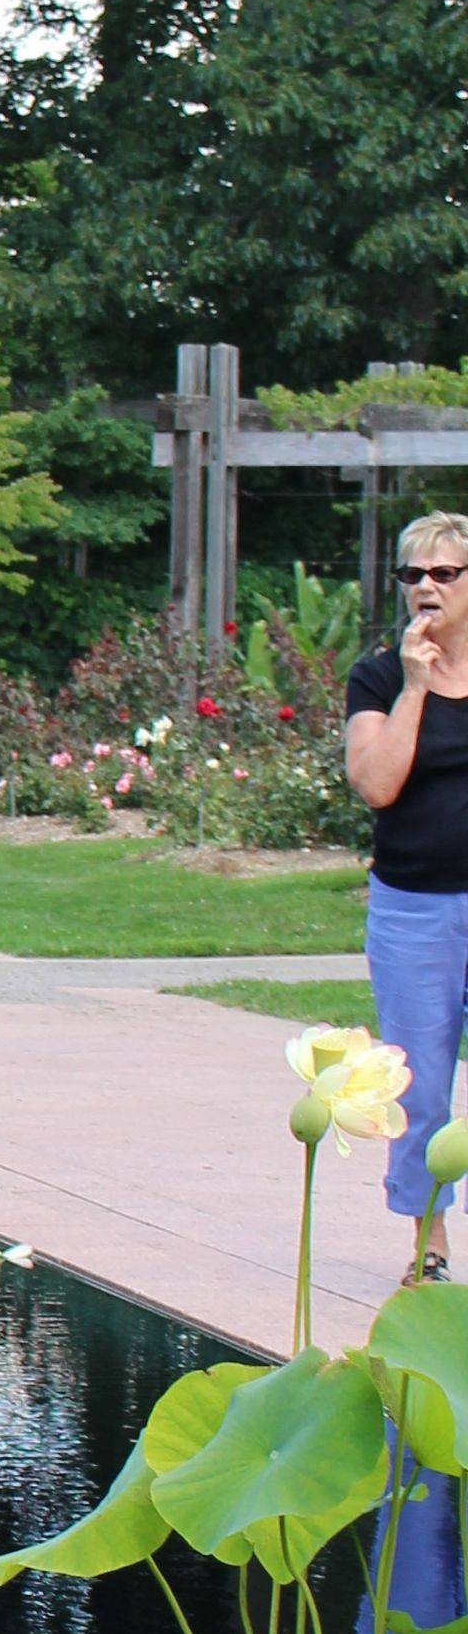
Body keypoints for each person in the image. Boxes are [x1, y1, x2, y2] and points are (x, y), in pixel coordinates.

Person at [346, 514, 468, 1274]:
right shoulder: (383, 674)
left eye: (444, 574)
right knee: (419, 1087)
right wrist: (418, 687)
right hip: (414, 912)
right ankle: (429, 1247)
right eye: (411, 575)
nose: (425, 587)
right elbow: (377, 783)